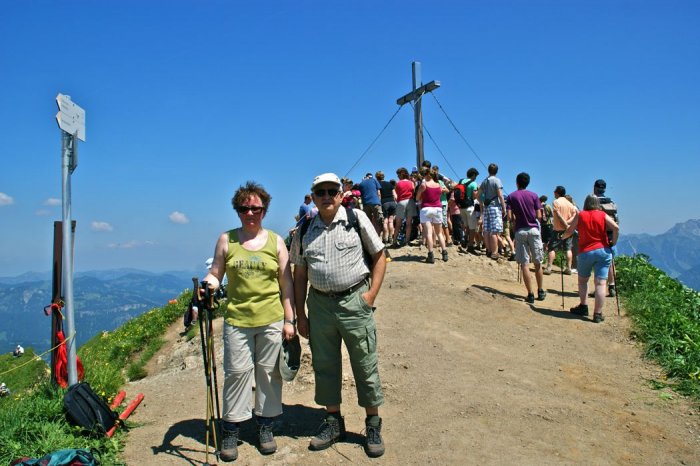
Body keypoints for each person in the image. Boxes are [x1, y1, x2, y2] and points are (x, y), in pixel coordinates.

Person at [291, 172, 387, 458]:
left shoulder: (356, 218)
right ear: (313, 196)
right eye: (320, 192)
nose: (326, 197)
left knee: (364, 363)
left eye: (331, 191)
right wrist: (301, 314)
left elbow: (379, 256)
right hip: (319, 305)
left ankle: (372, 424)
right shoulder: (305, 228)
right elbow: (300, 273)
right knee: (325, 364)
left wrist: (370, 296)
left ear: (341, 194)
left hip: (354, 300)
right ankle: (333, 421)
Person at [202, 181, 296, 461]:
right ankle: (231, 428)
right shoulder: (227, 240)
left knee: (269, 373)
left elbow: (286, 285)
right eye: (244, 209)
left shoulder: (276, 242)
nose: (250, 213)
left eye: (256, 208)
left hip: (271, 318)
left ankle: (265, 425)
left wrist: (289, 320)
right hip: (237, 319)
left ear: (264, 210)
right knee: (236, 373)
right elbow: (216, 273)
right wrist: (207, 286)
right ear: (238, 211)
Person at [562, 195, 619, 323]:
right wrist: (613, 242)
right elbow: (616, 228)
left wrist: (562, 237)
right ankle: (597, 314)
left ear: (586, 203)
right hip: (603, 251)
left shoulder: (580, 215)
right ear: (597, 203)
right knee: (601, 283)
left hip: (586, 252)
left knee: (583, 281)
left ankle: (583, 306)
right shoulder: (602, 215)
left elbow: (570, 230)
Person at [506, 173, 546, 303]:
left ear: (517, 182)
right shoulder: (534, 195)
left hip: (520, 230)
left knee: (524, 263)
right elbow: (539, 215)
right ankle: (541, 290)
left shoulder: (511, 196)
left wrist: (515, 221)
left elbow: (509, 216)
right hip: (533, 229)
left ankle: (530, 294)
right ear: (528, 182)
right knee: (538, 262)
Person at [592, 179, 619, 297]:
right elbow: (616, 219)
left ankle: (598, 288)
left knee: (598, 262)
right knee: (610, 261)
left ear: (595, 188)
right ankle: (612, 286)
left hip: (598, 235)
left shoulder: (593, 202)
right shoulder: (611, 202)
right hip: (611, 234)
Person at [416, 166, 448, 263]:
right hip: (438, 209)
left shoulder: (423, 185)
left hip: (426, 209)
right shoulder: (439, 185)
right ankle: (444, 253)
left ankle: (430, 255)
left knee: (429, 233)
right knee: (439, 233)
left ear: (425, 175)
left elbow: (417, 198)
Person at [543, 186, 577, 275]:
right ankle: (568, 268)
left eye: (555, 191)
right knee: (568, 249)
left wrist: (564, 223)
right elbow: (574, 216)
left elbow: (557, 215)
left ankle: (549, 267)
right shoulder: (570, 204)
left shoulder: (556, 202)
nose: (553, 192)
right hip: (568, 230)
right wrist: (567, 223)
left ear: (557, 193)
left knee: (552, 248)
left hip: (558, 229)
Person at [477, 163, 506, 260]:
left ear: (488, 170)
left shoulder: (484, 181)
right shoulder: (497, 180)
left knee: (486, 230)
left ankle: (488, 250)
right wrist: (504, 207)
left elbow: (477, 195)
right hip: (495, 207)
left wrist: (481, 203)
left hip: (486, 207)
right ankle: (494, 252)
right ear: (497, 171)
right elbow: (500, 195)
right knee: (494, 231)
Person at [392, 167, 415, 247]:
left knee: (398, 224)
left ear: (401, 174)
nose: (397, 176)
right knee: (409, 224)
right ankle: (407, 241)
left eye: (398, 174)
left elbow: (396, 194)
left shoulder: (398, 183)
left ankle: (394, 241)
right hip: (410, 202)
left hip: (401, 202)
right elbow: (413, 191)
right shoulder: (411, 183)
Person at [376, 171, 397, 244]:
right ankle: (391, 238)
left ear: (377, 177)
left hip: (384, 203)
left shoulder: (378, 184)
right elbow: (394, 194)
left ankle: (385, 238)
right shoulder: (389, 183)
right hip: (392, 202)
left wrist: (379, 203)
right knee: (391, 221)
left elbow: (379, 194)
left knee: (385, 222)